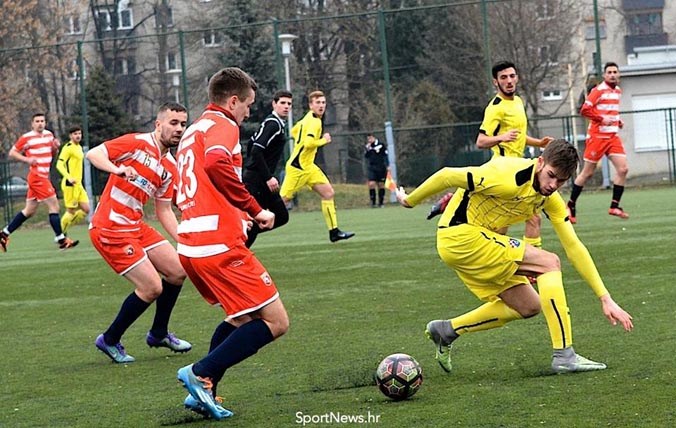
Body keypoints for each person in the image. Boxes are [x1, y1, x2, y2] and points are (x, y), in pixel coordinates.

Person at [396, 139, 633, 374]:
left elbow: (574, 246)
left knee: (529, 306)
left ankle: (446, 331)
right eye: (551, 175)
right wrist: (409, 201)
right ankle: (564, 355)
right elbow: (447, 175)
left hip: (475, 243)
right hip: (459, 237)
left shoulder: (550, 198)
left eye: (561, 181)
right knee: (549, 262)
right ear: (540, 163)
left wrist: (605, 298)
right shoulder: (506, 177)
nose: (553, 185)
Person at [174, 67, 289, 420]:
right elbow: (215, 164)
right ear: (233, 101)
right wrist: (254, 209)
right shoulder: (224, 124)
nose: (249, 112)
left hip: (191, 242)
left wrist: (234, 214)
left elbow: (192, 185)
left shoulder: (194, 130)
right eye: (248, 105)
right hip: (218, 244)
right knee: (276, 322)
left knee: (241, 318)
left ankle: (204, 392)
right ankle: (200, 373)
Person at [87, 102, 192, 364]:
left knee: (178, 270)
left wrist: (185, 241)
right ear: (158, 124)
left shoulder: (170, 166)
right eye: (173, 123)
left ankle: (158, 333)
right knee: (151, 287)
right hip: (110, 227)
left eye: (183, 124)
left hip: (135, 226)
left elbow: (164, 210)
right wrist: (117, 169)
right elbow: (94, 154)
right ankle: (109, 339)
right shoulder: (136, 143)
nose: (179, 129)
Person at [428, 61, 553, 250]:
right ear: (496, 82)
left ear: (517, 78)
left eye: (512, 76)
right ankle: (533, 260)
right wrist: (501, 137)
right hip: (502, 169)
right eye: (503, 77)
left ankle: (454, 202)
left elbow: (517, 136)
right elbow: (481, 141)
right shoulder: (495, 108)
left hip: (519, 168)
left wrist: (539, 143)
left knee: (507, 224)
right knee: (529, 217)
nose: (509, 81)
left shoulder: (518, 102)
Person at [279, 90, 355, 243]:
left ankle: (334, 232)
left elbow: (294, 131)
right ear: (311, 105)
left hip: (308, 167)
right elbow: (308, 143)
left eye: (323, 102)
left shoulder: (308, 118)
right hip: (299, 168)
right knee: (281, 201)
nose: (321, 106)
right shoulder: (315, 122)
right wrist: (324, 140)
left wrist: (301, 141)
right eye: (318, 103)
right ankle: (250, 221)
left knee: (328, 193)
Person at [0, 113, 78, 252]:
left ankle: (4, 234)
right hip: (37, 177)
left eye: (42, 121)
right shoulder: (27, 137)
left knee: (29, 210)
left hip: (42, 176)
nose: (40, 123)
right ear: (32, 123)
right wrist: (27, 160)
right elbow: (12, 152)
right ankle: (61, 240)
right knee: (54, 206)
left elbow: (52, 154)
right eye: (37, 121)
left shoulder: (49, 135)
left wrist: (55, 147)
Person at [567, 62, 629, 223]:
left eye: (615, 72)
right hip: (597, 137)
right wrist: (601, 119)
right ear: (604, 75)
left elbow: (610, 111)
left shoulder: (617, 91)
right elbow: (584, 110)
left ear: (619, 74)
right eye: (609, 72)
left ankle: (614, 206)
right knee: (587, 173)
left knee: (623, 169)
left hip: (612, 137)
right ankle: (571, 205)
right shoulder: (598, 90)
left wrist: (617, 121)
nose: (612, 75)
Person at [242, 90, 292, 247]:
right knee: (256, 220)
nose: (286, 106)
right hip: (258, 181)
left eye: (289, 104)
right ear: (274, 104)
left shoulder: (275, 123)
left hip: (262, 180)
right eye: (282, 103)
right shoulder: (273, 124)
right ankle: (237, 250)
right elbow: (256, 150)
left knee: (281, 216)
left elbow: (252, 144)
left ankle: (238, 241)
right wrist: (267, 177)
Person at [56, 125, 90, 235]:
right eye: (75, 134)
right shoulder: (68, 147)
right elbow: (59, 164)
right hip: (70, 184)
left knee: (86, 209)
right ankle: (61, 236)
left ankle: (62, 230)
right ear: (70, 136)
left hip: (78, 184)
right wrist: (69, 177)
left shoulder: (79, 147)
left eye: (79, 133)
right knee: (70, 211)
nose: (78, 136)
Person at [364, 133, 389, 208]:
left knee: (381, 185)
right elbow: (366, 156)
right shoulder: (368, 147)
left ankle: (381, 203)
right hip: (372, 167)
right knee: (371, 184)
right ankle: (373, 202)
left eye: (370, 138)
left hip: (381, 167)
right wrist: (368, 149)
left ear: (374, 138)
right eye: (368, 139)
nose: (369, 140)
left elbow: (385, 155)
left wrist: (388, 165)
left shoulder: (381, 145)